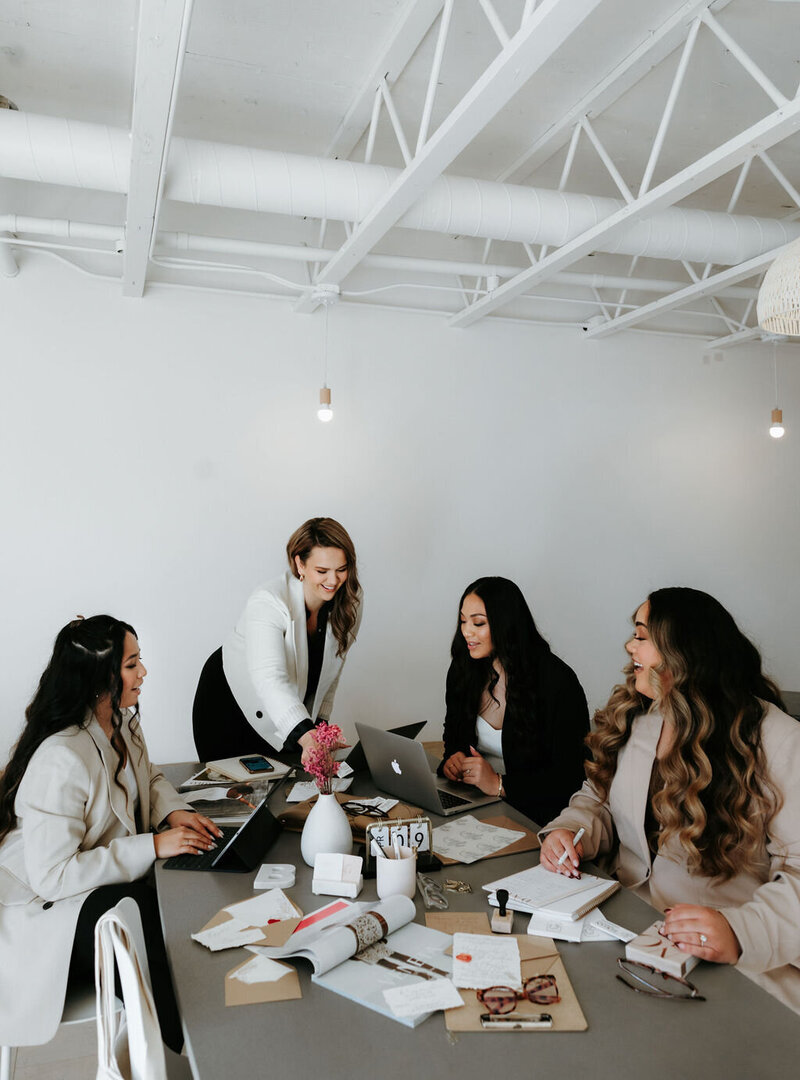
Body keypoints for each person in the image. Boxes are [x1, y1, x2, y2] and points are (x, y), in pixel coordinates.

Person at [540, 587, 800, 1014]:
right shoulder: (644, 717)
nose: (629, 646)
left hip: (729, 962)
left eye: (641, 635)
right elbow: (600, 801)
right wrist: (571, 832)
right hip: (625, 926)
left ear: (683, 652)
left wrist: (740, 931)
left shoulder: (778, 741)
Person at [0, 615, 221, 1051]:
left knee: (174, 898)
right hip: (46, 910)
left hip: (88, 887)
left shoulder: (120, 721)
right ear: (101, 677)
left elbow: (150, 777)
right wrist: (152, 845)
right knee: (137, 914)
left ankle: (202, 1028)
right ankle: (195, 1048)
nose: (144, 673)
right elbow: (53, 877)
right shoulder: (60, 757)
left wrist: (174, 813)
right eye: (131, 664)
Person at [192, 517, 362, 764]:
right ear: (300, 564)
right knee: (236, 792)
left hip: (286, 710)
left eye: (342, 569)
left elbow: (332, 670)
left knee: (288, 789)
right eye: (322, 571)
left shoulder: (349, 602)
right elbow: (269, 678)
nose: (333, 581)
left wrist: (321, 727)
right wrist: (306, 735)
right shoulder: (268, 601)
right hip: (228, 703)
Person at [439, 577, 589, 826]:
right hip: (477, 806)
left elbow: (570, 779)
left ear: (505, 624)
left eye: (478, 623)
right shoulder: (463, 669)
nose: (466, 631)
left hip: (540, 818)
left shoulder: (557, 682)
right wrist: (452, 761)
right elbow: (453, 739)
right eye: (463, 621)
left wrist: (499, 784)